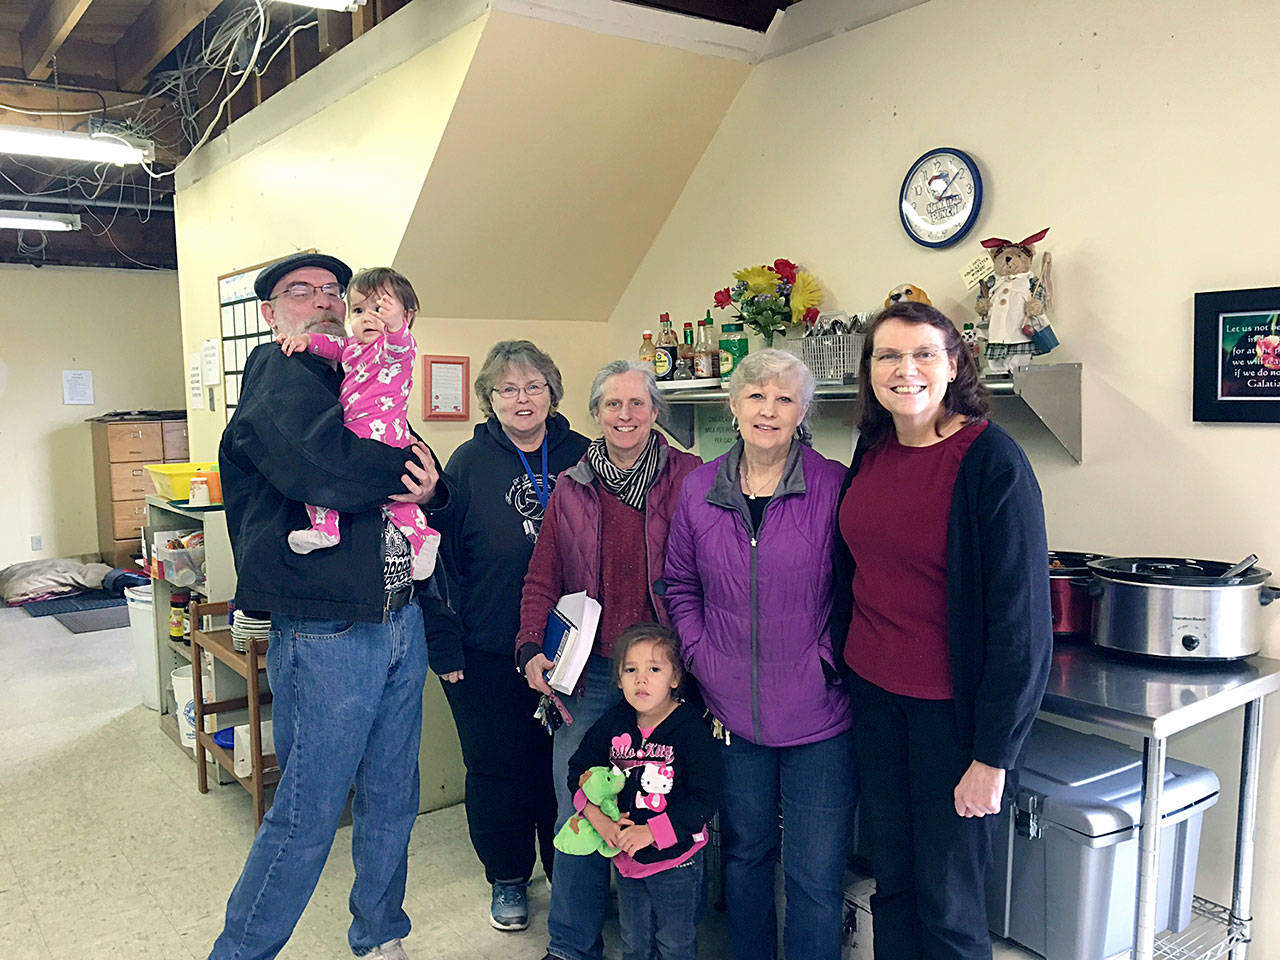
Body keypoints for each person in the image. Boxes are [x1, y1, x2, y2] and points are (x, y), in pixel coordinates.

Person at [212, 251, 449, 960]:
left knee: (392, 797)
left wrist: (431, 487)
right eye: (299, 291)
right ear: (270, 311)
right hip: (329, 631)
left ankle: (380, 935)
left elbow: (411, 459)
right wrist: (410, 473)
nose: (321, 299)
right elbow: (326, 467)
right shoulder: (275, 373)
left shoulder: (353, 368)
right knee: (309, 813)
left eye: (331, 290)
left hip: (398, 615)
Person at [831, 300, 1052, 960]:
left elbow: (1021, 624)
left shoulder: (992, 463)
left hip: (950, 722)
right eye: (889, 355)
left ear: (954, 363)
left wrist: (993, 756)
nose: (906, 370)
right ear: (870, 370)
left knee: (949, 903)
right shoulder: (871, 449)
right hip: (873, 699)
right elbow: (855, 571)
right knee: (892, 884)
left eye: (924, 353)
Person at [663, 348, 856, 960]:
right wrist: (699, 655)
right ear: (733, 404)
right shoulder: (699, 489)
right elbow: (680, 584)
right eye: (756, 396)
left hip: (819, 714)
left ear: (803, 412)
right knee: (744, 856)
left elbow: (858, 590)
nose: (768, 411)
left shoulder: (834, 484)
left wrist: (827, 661)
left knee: (814, 875)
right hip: (731, 714)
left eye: (784, 399)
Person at [515, 359, 700, 960]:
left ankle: (658, 944)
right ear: (595, 413)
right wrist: (529, 649)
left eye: (638, 404)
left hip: (667, 672)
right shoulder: (571, 486)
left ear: (655, 412)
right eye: (612, 405)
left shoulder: (690, 476)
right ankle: (572, 945)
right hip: (592, 672)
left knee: (663, 806)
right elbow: (543, 576)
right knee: (580, 809)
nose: (625, 415)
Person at [426, 340, 589, 931]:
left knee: (564, 769)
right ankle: (508, 879)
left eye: (534, 387)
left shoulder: (585, 456)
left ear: (553, 392)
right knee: (498, 769)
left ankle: (569, 874)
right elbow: (433, 560)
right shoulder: (466, 465)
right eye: (508, 389)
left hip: (572, 652)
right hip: (487, 650)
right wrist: (443, 643)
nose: (522, 399)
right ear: (490, 399)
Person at [564, 623, 720, 960]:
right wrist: (598, 821)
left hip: (677, 863)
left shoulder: (690, 730)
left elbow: (706, 799)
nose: (641, 679)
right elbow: (578, 771)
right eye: (631, 670)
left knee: (674, 946)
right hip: (626, 861)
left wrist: (652, 831)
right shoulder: (613, 722)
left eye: (654, 669)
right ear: (618, 679)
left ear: (675, 678)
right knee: (635, 944)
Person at [277, 267, 441, 581]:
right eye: (358, 310)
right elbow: (330, 345)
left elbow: (400, 346)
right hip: (355, 433)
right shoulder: (352, 349)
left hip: (384, 436)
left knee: (392, 496)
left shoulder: (394, 350)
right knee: (342, 486)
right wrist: (303, 340)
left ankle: (421, 536)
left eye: (378, 309)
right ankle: (325, 528)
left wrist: (394, 325)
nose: (367, 317)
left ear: (404, 317)